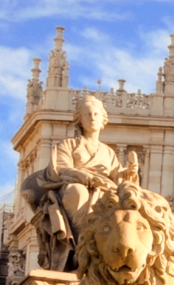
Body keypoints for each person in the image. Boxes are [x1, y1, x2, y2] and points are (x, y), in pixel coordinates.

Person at [19, 93, 126, 271]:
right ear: (80, 119)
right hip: (73, 187)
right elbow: (60, 169)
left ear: (103, 119)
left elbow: (119, 178)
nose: (92, 118)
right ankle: (81, 249)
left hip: (105, 189)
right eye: (88, 114)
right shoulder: (67, 145)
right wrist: (83, 176)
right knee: (78, 192)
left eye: (96, 114)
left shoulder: (108, 152)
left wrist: (130, 173)